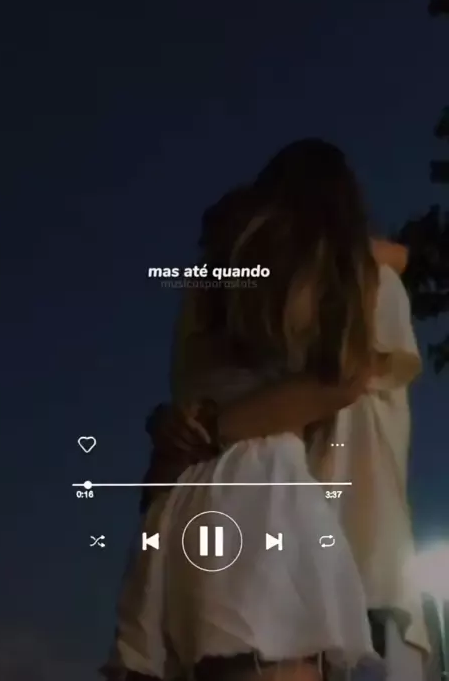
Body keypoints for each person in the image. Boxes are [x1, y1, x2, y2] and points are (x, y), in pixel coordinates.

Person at [103, 138, 394, 681]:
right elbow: (343, 378)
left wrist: (177, 428)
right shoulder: (331, 263)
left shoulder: (215, 275)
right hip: (260, 485)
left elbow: (189, 386)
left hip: (182, 493)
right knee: (269, 658)